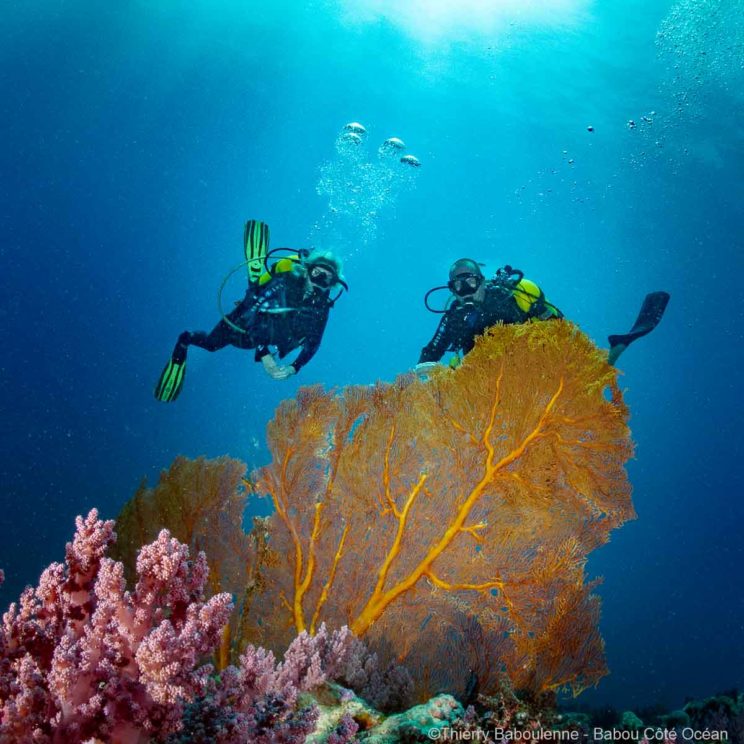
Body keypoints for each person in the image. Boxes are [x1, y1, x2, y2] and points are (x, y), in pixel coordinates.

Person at [155, 220, 347, 402]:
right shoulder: (285, 283)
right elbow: (254, 314)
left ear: (333, 285)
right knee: (211, 345)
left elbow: (314, 342)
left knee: (288, 326)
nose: (319, 281)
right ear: (307, 270)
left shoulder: (322, 306)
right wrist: (264, 355)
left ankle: (255, 281)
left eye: (327, 279)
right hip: (242, 327)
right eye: (317, 273)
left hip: (271, 338)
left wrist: (294, 368)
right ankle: (185, 340)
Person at [417, 258, 668, 370]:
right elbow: (431, 352)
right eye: (458, 286)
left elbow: (558, 324)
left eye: (470, 282)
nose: (466, 291)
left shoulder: (506, 298)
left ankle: (610, 353)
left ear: (482, 282)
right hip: (488, 381)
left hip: (536, 363)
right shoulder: (454, 317)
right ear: (453, 290)